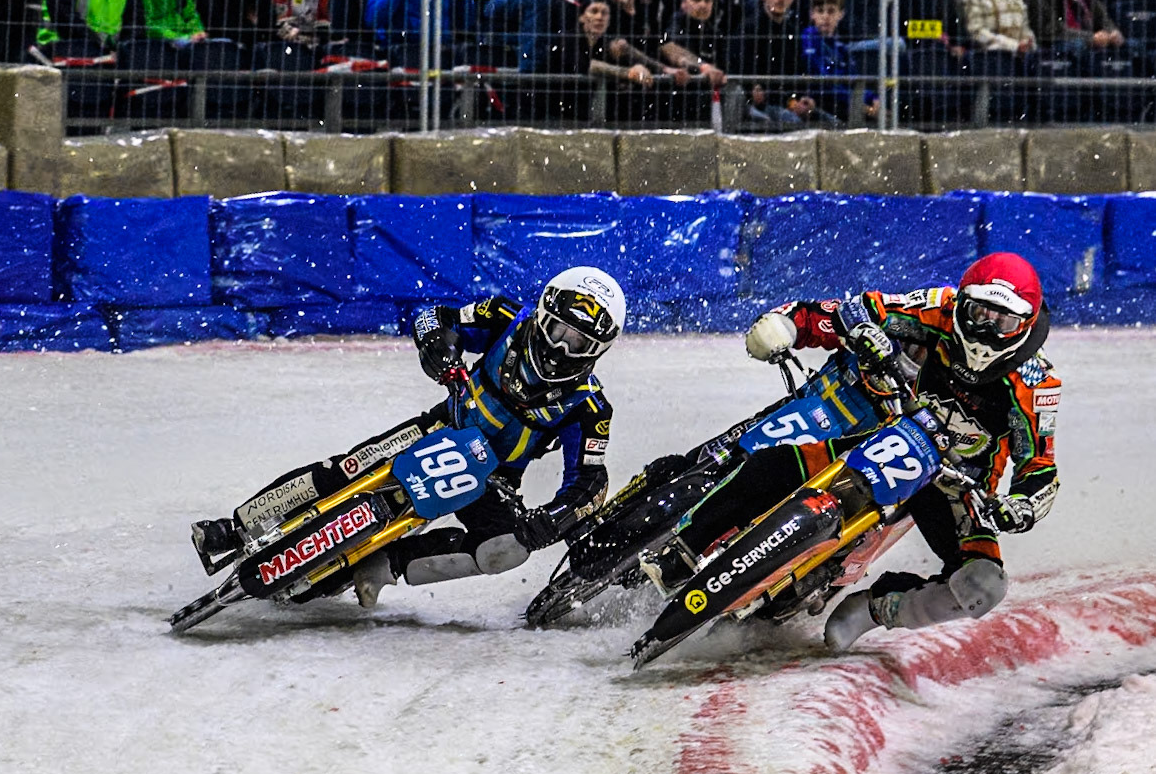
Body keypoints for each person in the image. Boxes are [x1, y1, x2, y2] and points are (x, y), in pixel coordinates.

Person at [644, 253, 1059, 654]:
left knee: (983, 584)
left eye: (1002, 321)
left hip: (954, 484)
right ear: (962, 302)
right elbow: (862, 308)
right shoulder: (939, 306)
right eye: (979, 313)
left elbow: (1040, 466)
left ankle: (877, 609)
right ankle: (685, 545)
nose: (986, 330)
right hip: (891, 436)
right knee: (778, 463)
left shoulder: (1035, 384)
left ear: (1025, 323)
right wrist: (864, 330)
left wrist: (1022, 506)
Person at [190, 268, 627, 609]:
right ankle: (236, 528)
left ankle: (387, 564)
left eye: (579, 343)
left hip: (491, 479)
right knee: (346, 469)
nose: (561, 349)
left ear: (598, 351)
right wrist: (440, 348)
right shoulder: (503, 317)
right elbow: (434, 318)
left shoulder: (590, 408)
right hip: (441, 426)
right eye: (559, 332)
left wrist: (551, 520)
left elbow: (590, 481)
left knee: (506, 549)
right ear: (543, 316)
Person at [732, 0, 812, 125]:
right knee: (794, 124)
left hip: (786, 102)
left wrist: (800, 99)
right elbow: (739, 67)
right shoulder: (749, 28)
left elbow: (798, 70)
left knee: (831, 123)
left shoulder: (793, 31)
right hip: (760, 105)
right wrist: (752, 88)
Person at [800, 0, 873, 120]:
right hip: (820, 102)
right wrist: (858, 103)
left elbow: (853, 78)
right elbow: (823, 81)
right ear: (812, 14)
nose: (825, 16)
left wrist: (873, 98)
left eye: (831, 11)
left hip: (842, 102)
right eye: (820, 11)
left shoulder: (839, 47)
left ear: (841, 14)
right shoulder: (808, 38)